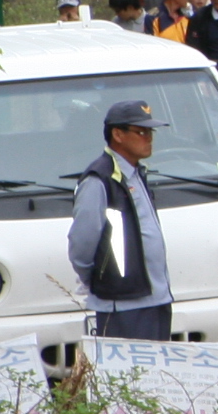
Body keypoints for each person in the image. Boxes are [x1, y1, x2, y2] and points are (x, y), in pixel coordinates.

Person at [69, 99, 174, 340]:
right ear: (118, 134)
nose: (148, 138)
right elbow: (82, 243)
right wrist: (100, 280)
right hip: (124, 302)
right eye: (140, 131)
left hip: (155, 298)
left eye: (150, 132)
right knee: (131, 376)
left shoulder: (135, 173)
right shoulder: (99, 179)